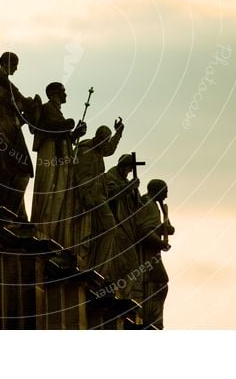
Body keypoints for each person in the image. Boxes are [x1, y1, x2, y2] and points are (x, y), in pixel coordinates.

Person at [0, 52, 40, 219]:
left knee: (19, 171)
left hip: (12, 129)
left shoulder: (5, 82)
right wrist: (26, 104)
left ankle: (13, 212)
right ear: (8, 63)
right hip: (2, 129)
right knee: (13, 170)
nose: (16, 68)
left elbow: (19, 107)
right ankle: (9, 212)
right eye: (15, 64)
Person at [30, 82, 86, 245]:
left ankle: (52, 232)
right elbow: (46, 128)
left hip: (59, 156)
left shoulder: (57, 112)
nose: (66, 94)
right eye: (63, 91)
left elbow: (64, 136)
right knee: (49, 191)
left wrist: (75, 133)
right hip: (50, 154)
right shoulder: (47, 108)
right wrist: (67, 125)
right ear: (54, 93)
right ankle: (43, 230)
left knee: (58, 195)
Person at [73, 120, 125, 273]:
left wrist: (119, 133)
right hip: (92, 196)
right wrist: (86, 195)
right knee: (110, 228)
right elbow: (81, 176)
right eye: (105, 140)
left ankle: (96, 267)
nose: (106, 144)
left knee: (104, 230)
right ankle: (98, 269)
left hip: (99, 195)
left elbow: (109, 150)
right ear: (99, 138)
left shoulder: (98, 149)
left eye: (108, 141)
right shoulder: (87, 150)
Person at [102, 153, 143, 299]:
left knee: (130, 264)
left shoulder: (126, 180)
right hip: (117, 224)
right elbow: (111, 195)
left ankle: (124, 296)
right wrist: (128, 187)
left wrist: (134, 190)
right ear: (123, 166)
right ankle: (116, 294)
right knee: (121, 262)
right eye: (129, 168)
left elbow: (137, 205)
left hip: (128, 227)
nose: (130, 171)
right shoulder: (110, 176)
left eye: (131, 169)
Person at [134, 179, 174, 329]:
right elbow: (144, 232)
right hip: (147, 256)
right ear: (157, 190)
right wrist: (160, 243)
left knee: (160, 282)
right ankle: (150, 320)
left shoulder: (154, 206)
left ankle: (153, 321)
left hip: (153, 255)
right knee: (158, 282)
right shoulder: (148, 205)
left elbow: (154, 227)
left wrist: (165, 227)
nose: (166, 196)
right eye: (165, 192)